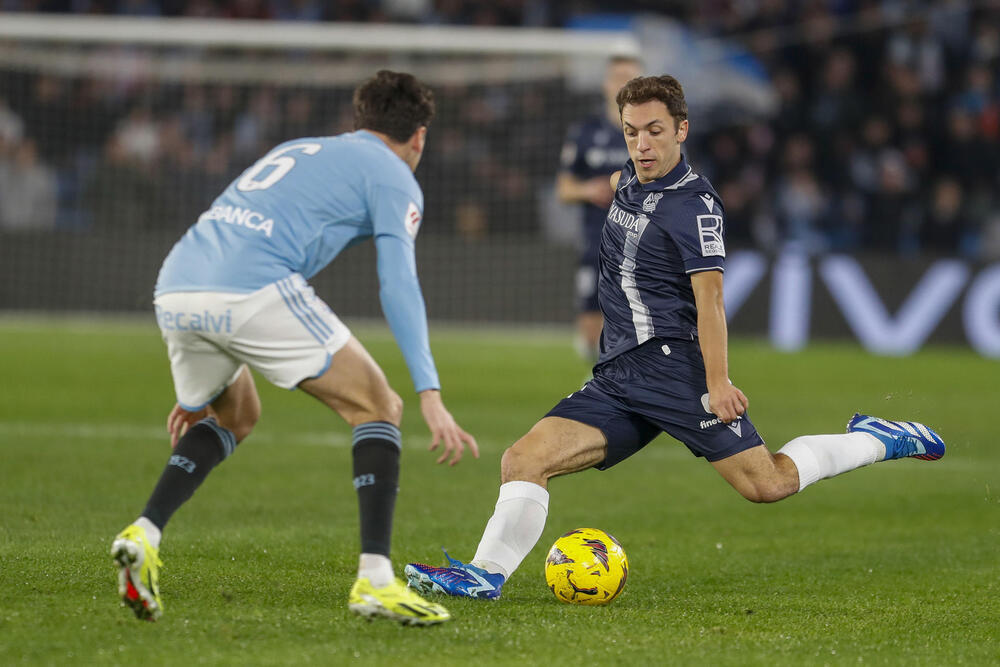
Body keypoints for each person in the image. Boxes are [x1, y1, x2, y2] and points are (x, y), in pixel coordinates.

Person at [404, 75, 945, 600]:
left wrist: (718, 381)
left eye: (655, 131)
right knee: (523, 460)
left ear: (682, 129)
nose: (642, 144)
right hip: (618, 375)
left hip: (675, 373)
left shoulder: (695, 207)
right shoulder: (628, 180)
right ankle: (484, 575)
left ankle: (881, 438)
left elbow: (710, 301)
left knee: (767, 484)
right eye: (632, 131)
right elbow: (606, 191)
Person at [111, 70, 478, 625]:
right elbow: (398, 283)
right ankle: (376, 582)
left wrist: (198, 384)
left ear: (360, 121)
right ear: (419, 137)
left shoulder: (301, 149)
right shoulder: (395, 175)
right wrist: (429, 390)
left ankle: (144, 532)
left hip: (178, 285)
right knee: (380, 406)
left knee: (235, 415)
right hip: (251, 287)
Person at [556, 56, 641, 365]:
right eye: (618, 77)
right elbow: (563, 189)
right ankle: (601, 377)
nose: (623, 84)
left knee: (633, 322)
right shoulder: (586, 131)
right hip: (596, 240)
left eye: (630, 78)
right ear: (606, 84)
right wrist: (588, 189)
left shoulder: (650, 133)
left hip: (641, 242)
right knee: (591, 329)